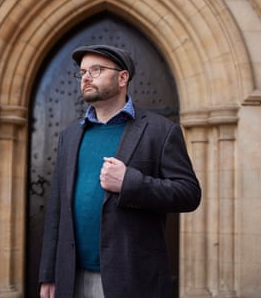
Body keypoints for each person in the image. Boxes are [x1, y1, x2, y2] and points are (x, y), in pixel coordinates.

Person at [39, 44, 201, 298]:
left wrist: (130, 183)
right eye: (82, 72)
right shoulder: (69, 136)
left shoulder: (161, 130)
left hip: (133, 278)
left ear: (123, 77)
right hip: (72, 277)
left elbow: (189, 193)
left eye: (96, 69)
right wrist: (49, 273)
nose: (86, 77)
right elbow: (57, 209)